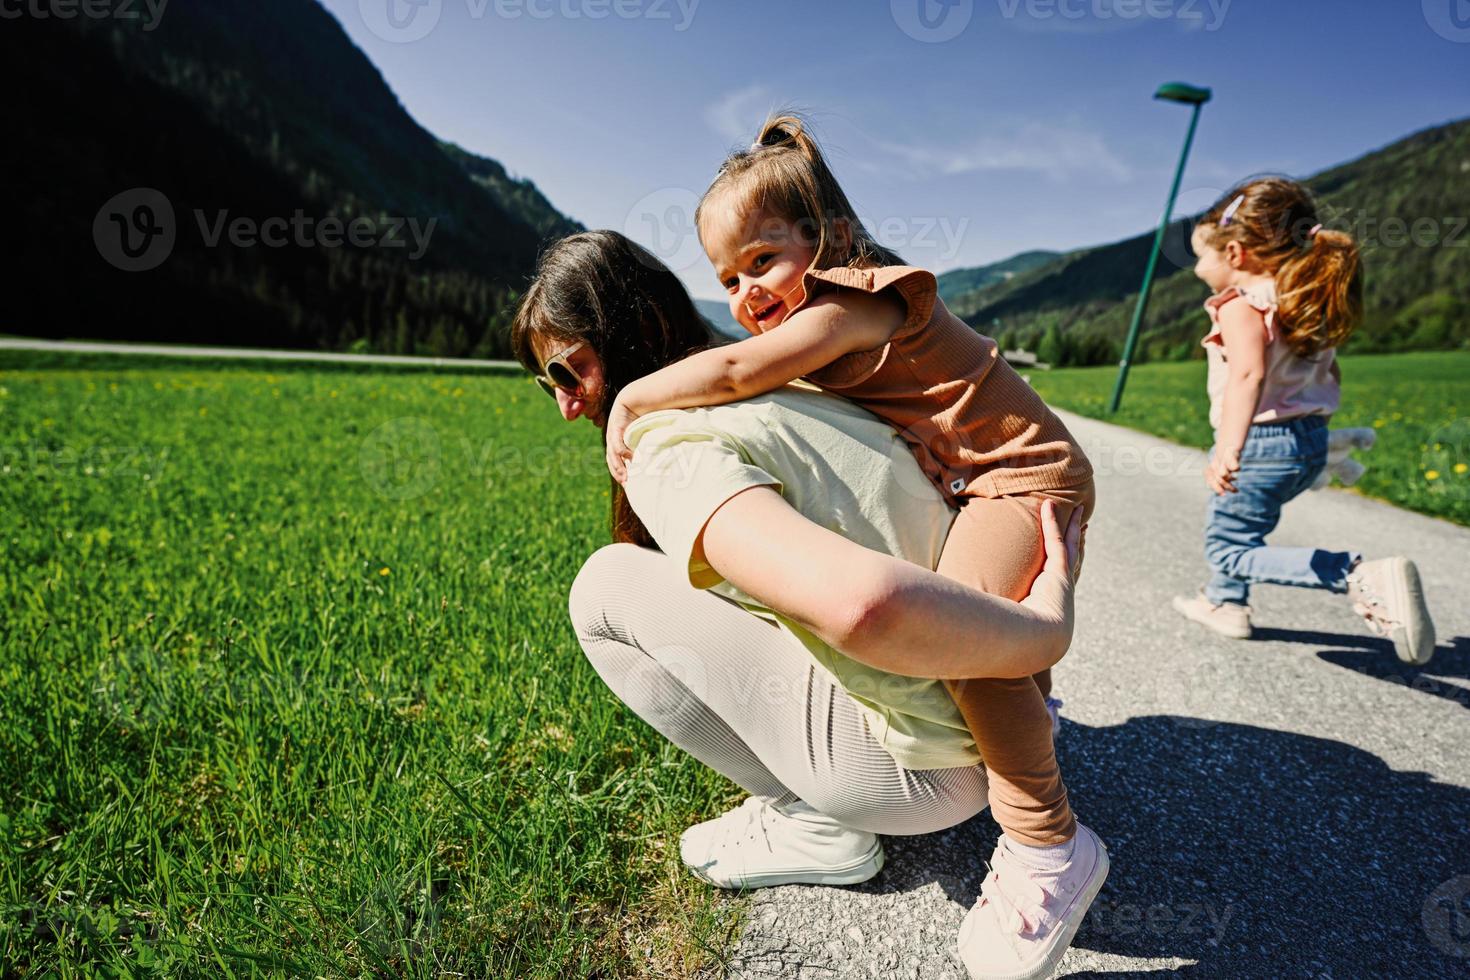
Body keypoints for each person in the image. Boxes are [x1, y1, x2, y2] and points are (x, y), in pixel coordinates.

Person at [512, 229, 1103, 980]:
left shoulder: (670, 442)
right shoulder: (808, 375)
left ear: (637, 334)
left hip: (922, 775)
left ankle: (815, 824)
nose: (566, 404)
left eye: (569, 369)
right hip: (994, 711)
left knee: (605, 587)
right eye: (546, 383)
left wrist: (1038, 634)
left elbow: (867, 611)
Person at [1170, 178, 1436, 664]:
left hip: (1258, 443)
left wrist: (1230, 448)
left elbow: (1246, 377)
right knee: (1238, 531)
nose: (1196, 270)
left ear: (1235, 253)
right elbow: (1328, 370)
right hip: (1305, 440)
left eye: (1200, 257)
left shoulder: (1240, 305)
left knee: (1229, 547)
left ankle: (1355, 575)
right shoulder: (1305, 298)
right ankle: (1225, 603)